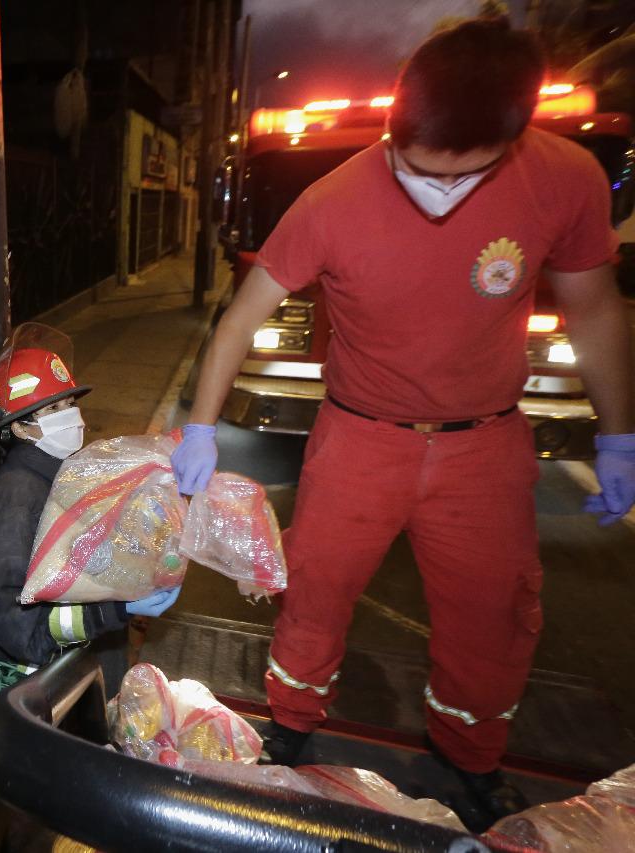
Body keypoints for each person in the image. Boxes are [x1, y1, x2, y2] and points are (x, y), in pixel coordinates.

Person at [171, 17, 635, 829]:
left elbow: (596, 311)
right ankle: (291, 727)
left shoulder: (561, 181)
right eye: (412, 167)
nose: (432, 191)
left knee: (492, 618)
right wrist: (200, 427)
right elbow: (242, 319)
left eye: (458, 178)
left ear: (512, 139)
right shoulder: (335, 199)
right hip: (360, 437)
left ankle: (470, 759)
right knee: (313, 590)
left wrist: (620, 432)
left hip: (483, 445)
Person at [0, 324, 183, 852]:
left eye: (68, 402)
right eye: (53, 410)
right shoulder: (13, 504)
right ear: (19, 429)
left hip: (31, 687)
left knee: (14, 807)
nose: (72, 417)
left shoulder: (57, 478)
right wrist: (112, 610)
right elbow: (21, 631)